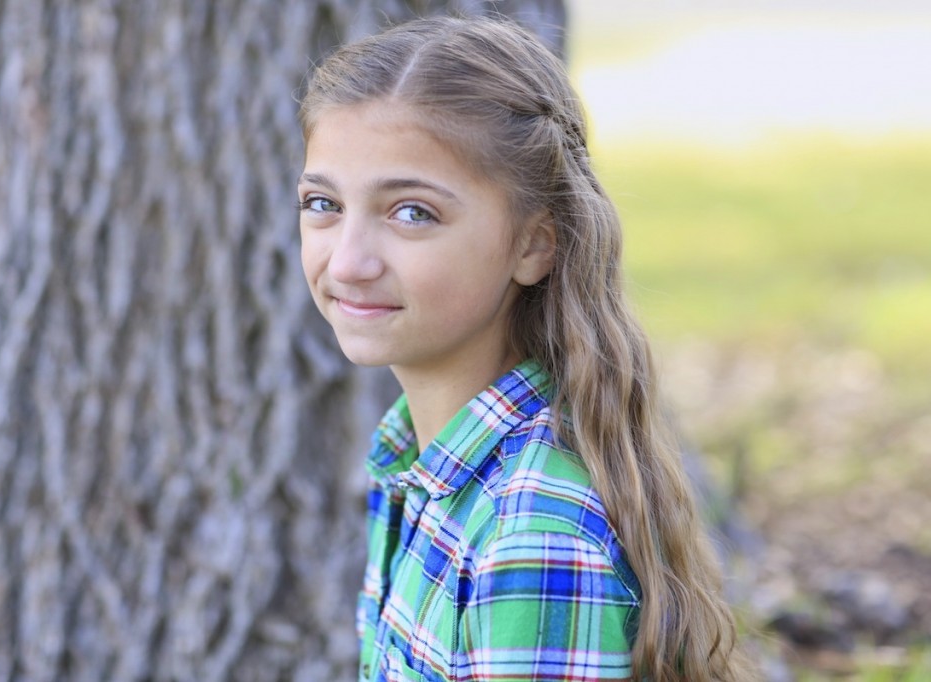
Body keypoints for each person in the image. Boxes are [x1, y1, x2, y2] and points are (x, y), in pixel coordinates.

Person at [297, 14, 753, 682]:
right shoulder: (421, 465)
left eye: (412, 213)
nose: (348, 262)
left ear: (534, 244)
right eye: (323, 204)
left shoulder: (530, 538)